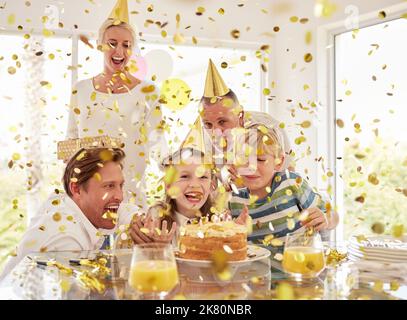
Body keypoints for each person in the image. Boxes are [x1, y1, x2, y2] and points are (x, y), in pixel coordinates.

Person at [66, 0, 164, 209]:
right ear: (100, 44)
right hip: (88, 198)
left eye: (126, 45)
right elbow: (71, 140)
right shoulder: (80, 89)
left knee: (130, 242)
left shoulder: (148, 92)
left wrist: (178, 172)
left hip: (131, 196)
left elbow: (158, 142)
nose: (119, 51)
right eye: (112, 43)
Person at [0, 145, 128, 281]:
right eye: (109, 186)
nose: (120, 196)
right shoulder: (66, 240)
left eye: (121, 185)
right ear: (76, 189)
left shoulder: (63, 204)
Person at [230, 123, 339, 245]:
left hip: (302, 262)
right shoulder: (234, 201)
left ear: (278, 162)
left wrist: (326, 219)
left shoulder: (291, 183)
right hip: (257, 265)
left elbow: (333, 215)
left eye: (260, 159)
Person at [199, 59, 295, 173]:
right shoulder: (201, 140)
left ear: (240, 116)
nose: (216, 132)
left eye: (222, 122)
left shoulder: (269, 128)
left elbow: (289, 177)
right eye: (208, 124)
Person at [128, 148, 219, 246]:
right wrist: (157, 249)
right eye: (184, 176)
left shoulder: (219, 223)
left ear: (211, 185)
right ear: (168, 185)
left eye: (203, 177)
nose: (194, 185)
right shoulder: (156, 221)